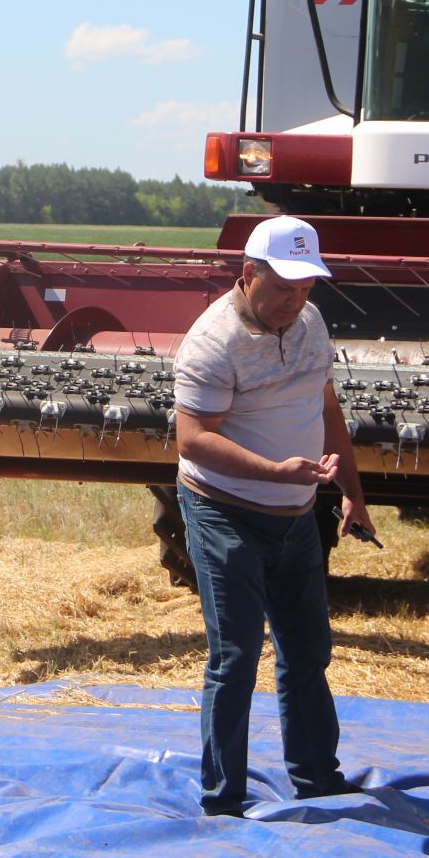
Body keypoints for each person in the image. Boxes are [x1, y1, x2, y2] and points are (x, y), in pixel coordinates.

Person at [173, 215, 373, 817]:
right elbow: (191, 439)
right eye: (283, 287)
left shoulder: (310, 323)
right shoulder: (211, 343)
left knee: (307, 651)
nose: (295, 300)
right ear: (248, 273)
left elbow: (326, 406)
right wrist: (275, 471)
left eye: (306, 287)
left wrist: (353, 493)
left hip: (297, 514)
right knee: (235, 657)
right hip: (225, 513)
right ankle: (222, 800)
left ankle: (316, 777)